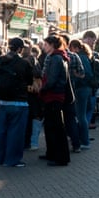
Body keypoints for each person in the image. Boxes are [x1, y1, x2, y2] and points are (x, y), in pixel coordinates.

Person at [0, 38, 34, 167]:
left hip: (3, 101)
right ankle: (12, 160)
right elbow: (29, 81)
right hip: (19, 102)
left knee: (2, 131)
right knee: (16, 133)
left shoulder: (0, 60)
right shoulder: (24, 63)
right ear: (20, 49)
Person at [39, 35, 71, 167]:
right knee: (51, 126)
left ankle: (60, 157)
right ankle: (52, 153)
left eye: (46, 44)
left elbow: (52, 79)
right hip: (55, 95)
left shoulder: (56, 58)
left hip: (54, 96)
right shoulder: (59, 57)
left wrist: (42, 89)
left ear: (52, 45)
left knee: (56, 127)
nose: (44, 47)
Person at [69, 39, 94, 151]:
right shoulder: (85, 56)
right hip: (84, 89)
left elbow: (86, 75)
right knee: (81, 115)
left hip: (81, 89)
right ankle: (83, 140)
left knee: (81, 116)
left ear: (74, 47)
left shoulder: (80, 57)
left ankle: (84, 141)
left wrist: (76, 78)